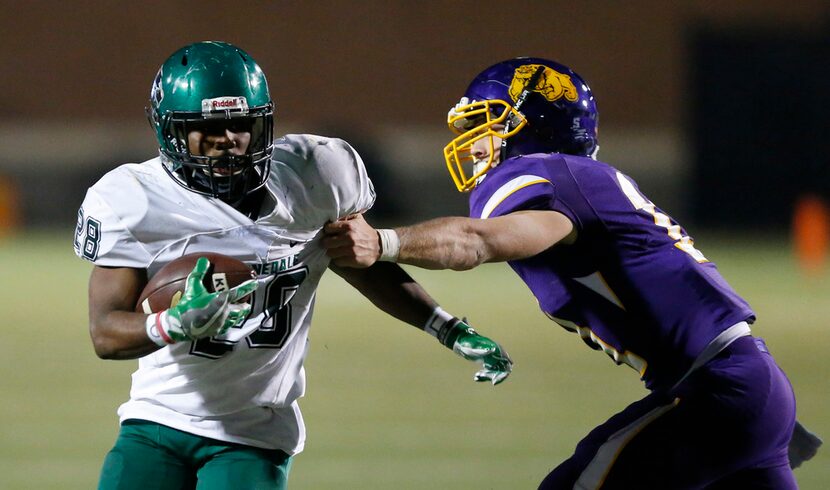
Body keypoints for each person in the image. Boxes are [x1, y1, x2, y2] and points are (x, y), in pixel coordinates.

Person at [323, 57, 822, 488]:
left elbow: (478, 241)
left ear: (533, 125)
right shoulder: (581, 179)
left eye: (487, 125)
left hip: (716, 392)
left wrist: (384, 242)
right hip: (749, 386)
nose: (473, 145)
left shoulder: (549, 176)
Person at [73, 41, 512, 490]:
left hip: (253, 432)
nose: (228, 142)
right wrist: (175, 324)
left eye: (241, 125)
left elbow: (358, 259)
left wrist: (446, 327)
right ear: (170, 132)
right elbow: (105, 332)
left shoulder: (315, 174)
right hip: (155, 423)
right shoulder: (132, 199)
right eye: (206, 129)